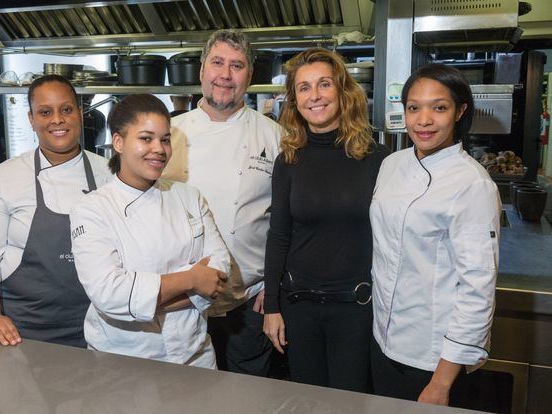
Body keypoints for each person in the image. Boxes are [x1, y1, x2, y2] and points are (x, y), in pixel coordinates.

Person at [369, 63, 501, 405]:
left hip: (433, 359)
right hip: (382, 342)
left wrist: (442, 383)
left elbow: (477, 289)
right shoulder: (392, 164)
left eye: (438, 107)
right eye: (414, 108)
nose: (423, 120)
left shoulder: (472, 184)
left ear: (460, 111)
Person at [70, 94, 229, 368]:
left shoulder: (190, 197)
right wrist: (192, 279)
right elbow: (109, 293)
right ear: (118, 142)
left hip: (196, 355)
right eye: (146, 138)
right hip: (124, 360)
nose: (159, 148)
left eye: (165, 139)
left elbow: (218, 273)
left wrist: (144, 300)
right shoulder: (92, 209)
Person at [262, 48, 388, 390]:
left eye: (323, 85)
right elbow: (279, 236)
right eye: (303, 88)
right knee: (308, 402)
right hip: (298, 307)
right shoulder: (287, 160)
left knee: (351, 402)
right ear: (294, 99)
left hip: (357, 308)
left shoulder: (377, 158)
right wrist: (272, 306)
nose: (314, 96)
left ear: (342, 92)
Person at [163, 29, 282, 376]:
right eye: (217, 63)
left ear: (249, 75)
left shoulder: (274, 136)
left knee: (248, 396)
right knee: (187, 394)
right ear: (201, 70)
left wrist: (272, 291)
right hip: (180, 299)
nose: (225, 75)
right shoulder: (170, 134)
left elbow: (286, 220)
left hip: (249, 300)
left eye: (237, 66)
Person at [0, 74, 111, 348]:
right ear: (31, 119)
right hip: (24, 332)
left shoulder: (109, 174)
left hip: (100, 329)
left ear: (79, 113)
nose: (57, 119)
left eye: (66, 109)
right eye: (45, 112)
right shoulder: (5, 176)